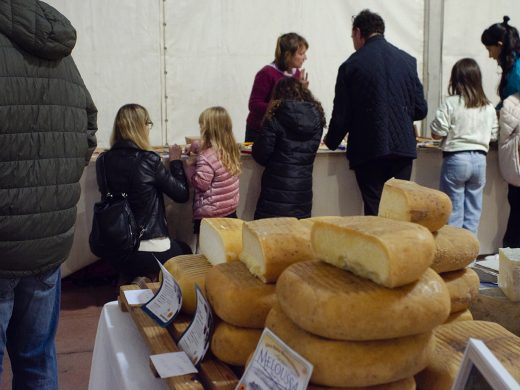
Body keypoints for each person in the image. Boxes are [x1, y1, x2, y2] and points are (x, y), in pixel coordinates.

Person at [0, 0, 97, 388]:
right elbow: (88, 123)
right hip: (50, 240)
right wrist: (59, 181)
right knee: (37, 357)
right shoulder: (62, 55)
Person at [324, 9, 427, 216]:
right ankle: (400, 248)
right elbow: (420, 109)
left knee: (375, 211)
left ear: (358, 32)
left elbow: (342, 116)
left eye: (352, 36)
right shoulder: (408, 61)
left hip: (368, 149)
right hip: (403, 149)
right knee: (399, 211)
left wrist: (330, 142)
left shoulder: (351, 65)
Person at [96, 104, 192, 283]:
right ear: (141, 127)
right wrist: (176, 162)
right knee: (185, 250)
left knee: (134, 259)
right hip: (148, 248)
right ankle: (156, 284)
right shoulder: (149, 160)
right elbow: (181, 194)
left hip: (113, 248)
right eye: (148, 123)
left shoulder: (102, 161)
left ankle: (133, 278)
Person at [430, 58, 498, 235]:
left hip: (456, 158)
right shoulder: (488, 106)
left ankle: (454, 258)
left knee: (454, 212)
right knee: (473, 213)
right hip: (480, 160)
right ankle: (470, 257)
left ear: (456, 79)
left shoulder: (451, 103)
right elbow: (493, 135)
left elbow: (438, 131)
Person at [252, 77, 325, 219]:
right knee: (296, 236)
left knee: (268, 237)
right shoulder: (317, 118)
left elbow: (261, 155)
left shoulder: (275, 116)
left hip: (275, 194)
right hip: (302, 193)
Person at [482, 16, 520, 247]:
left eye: (489, 49)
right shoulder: (514, 67)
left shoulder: (515, 73)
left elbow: (510, 108)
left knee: (516, 204)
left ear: (499, 45)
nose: (489, 55)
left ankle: (512, 252)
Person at [184, 106, 241, 235]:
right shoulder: (231, 149)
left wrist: (189, 166)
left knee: (207, 252)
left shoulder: (206, 157)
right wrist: (194, 146)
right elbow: (208, 148)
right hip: (229, 211)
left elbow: (201, 184)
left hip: (210, 216)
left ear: (207, 130)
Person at [245, 32, 309, 143]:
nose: (305, 58)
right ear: (288, 55)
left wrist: (302, 91)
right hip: (260, 131)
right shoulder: (266, 73)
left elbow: (294, 105)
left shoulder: (297, 73)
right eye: (301, 54)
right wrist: (280, 106)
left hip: (281, 132)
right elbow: (254, 105)